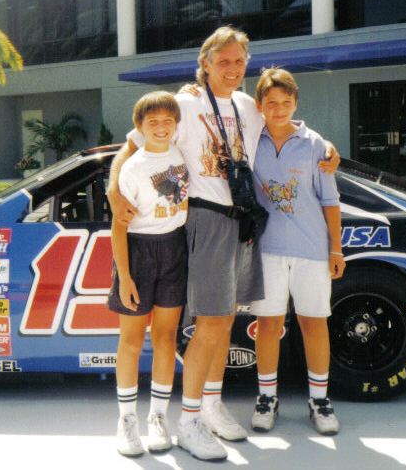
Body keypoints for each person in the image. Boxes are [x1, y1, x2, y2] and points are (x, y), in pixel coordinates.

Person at [108, 26, 339, 461]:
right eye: (224, 61)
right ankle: (190, 419)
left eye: (239, 61)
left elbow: (287, 123)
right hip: (206, 218)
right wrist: (116, 195)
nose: (232, 69)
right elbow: (131, 147)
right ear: (206, 64)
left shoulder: (250, 106)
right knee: (212, 321)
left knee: (223, 319)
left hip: (241, 221)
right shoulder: (183, 103)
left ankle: (209, 406)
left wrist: (327, 148)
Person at [247, 67, 345, 436]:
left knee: (313, 323)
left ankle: (319, 400)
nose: (278, 109)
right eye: (271, 103)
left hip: (311, 250)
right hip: (267, 249)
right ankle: (266, 398)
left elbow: (330, 200)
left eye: (286, 102)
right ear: (259, 105)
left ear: (295, 103)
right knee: (269, 325)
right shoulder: (248, 142)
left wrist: (336, 250)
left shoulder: (316, 144)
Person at [109, 91, 190, 457]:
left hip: (175, 247)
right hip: (139, 252)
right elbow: (118, 227)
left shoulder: (182, 153)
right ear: (139, 127)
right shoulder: (133, 167)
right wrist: (124, 277)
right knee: (130, 339)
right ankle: (127, 420)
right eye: (152, 122)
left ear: (176, 125)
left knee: (166, 336)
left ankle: (159, 417)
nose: (161, 127)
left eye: (167, 121)